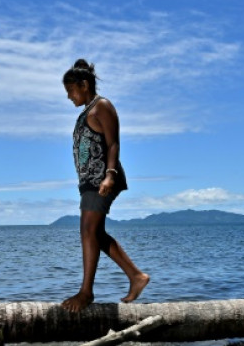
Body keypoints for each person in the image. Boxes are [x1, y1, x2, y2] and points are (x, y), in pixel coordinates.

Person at [60, 59, 150, 312]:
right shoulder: (86, 111)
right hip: (90, 181)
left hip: (102, 179)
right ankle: (136, 276)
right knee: (94, 233)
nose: (69, 97)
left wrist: (110, 174)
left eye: (71, 91)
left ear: (84, 85)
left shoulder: (102, 106)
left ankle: (86, 292)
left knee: (88, 231)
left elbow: (113, 143)